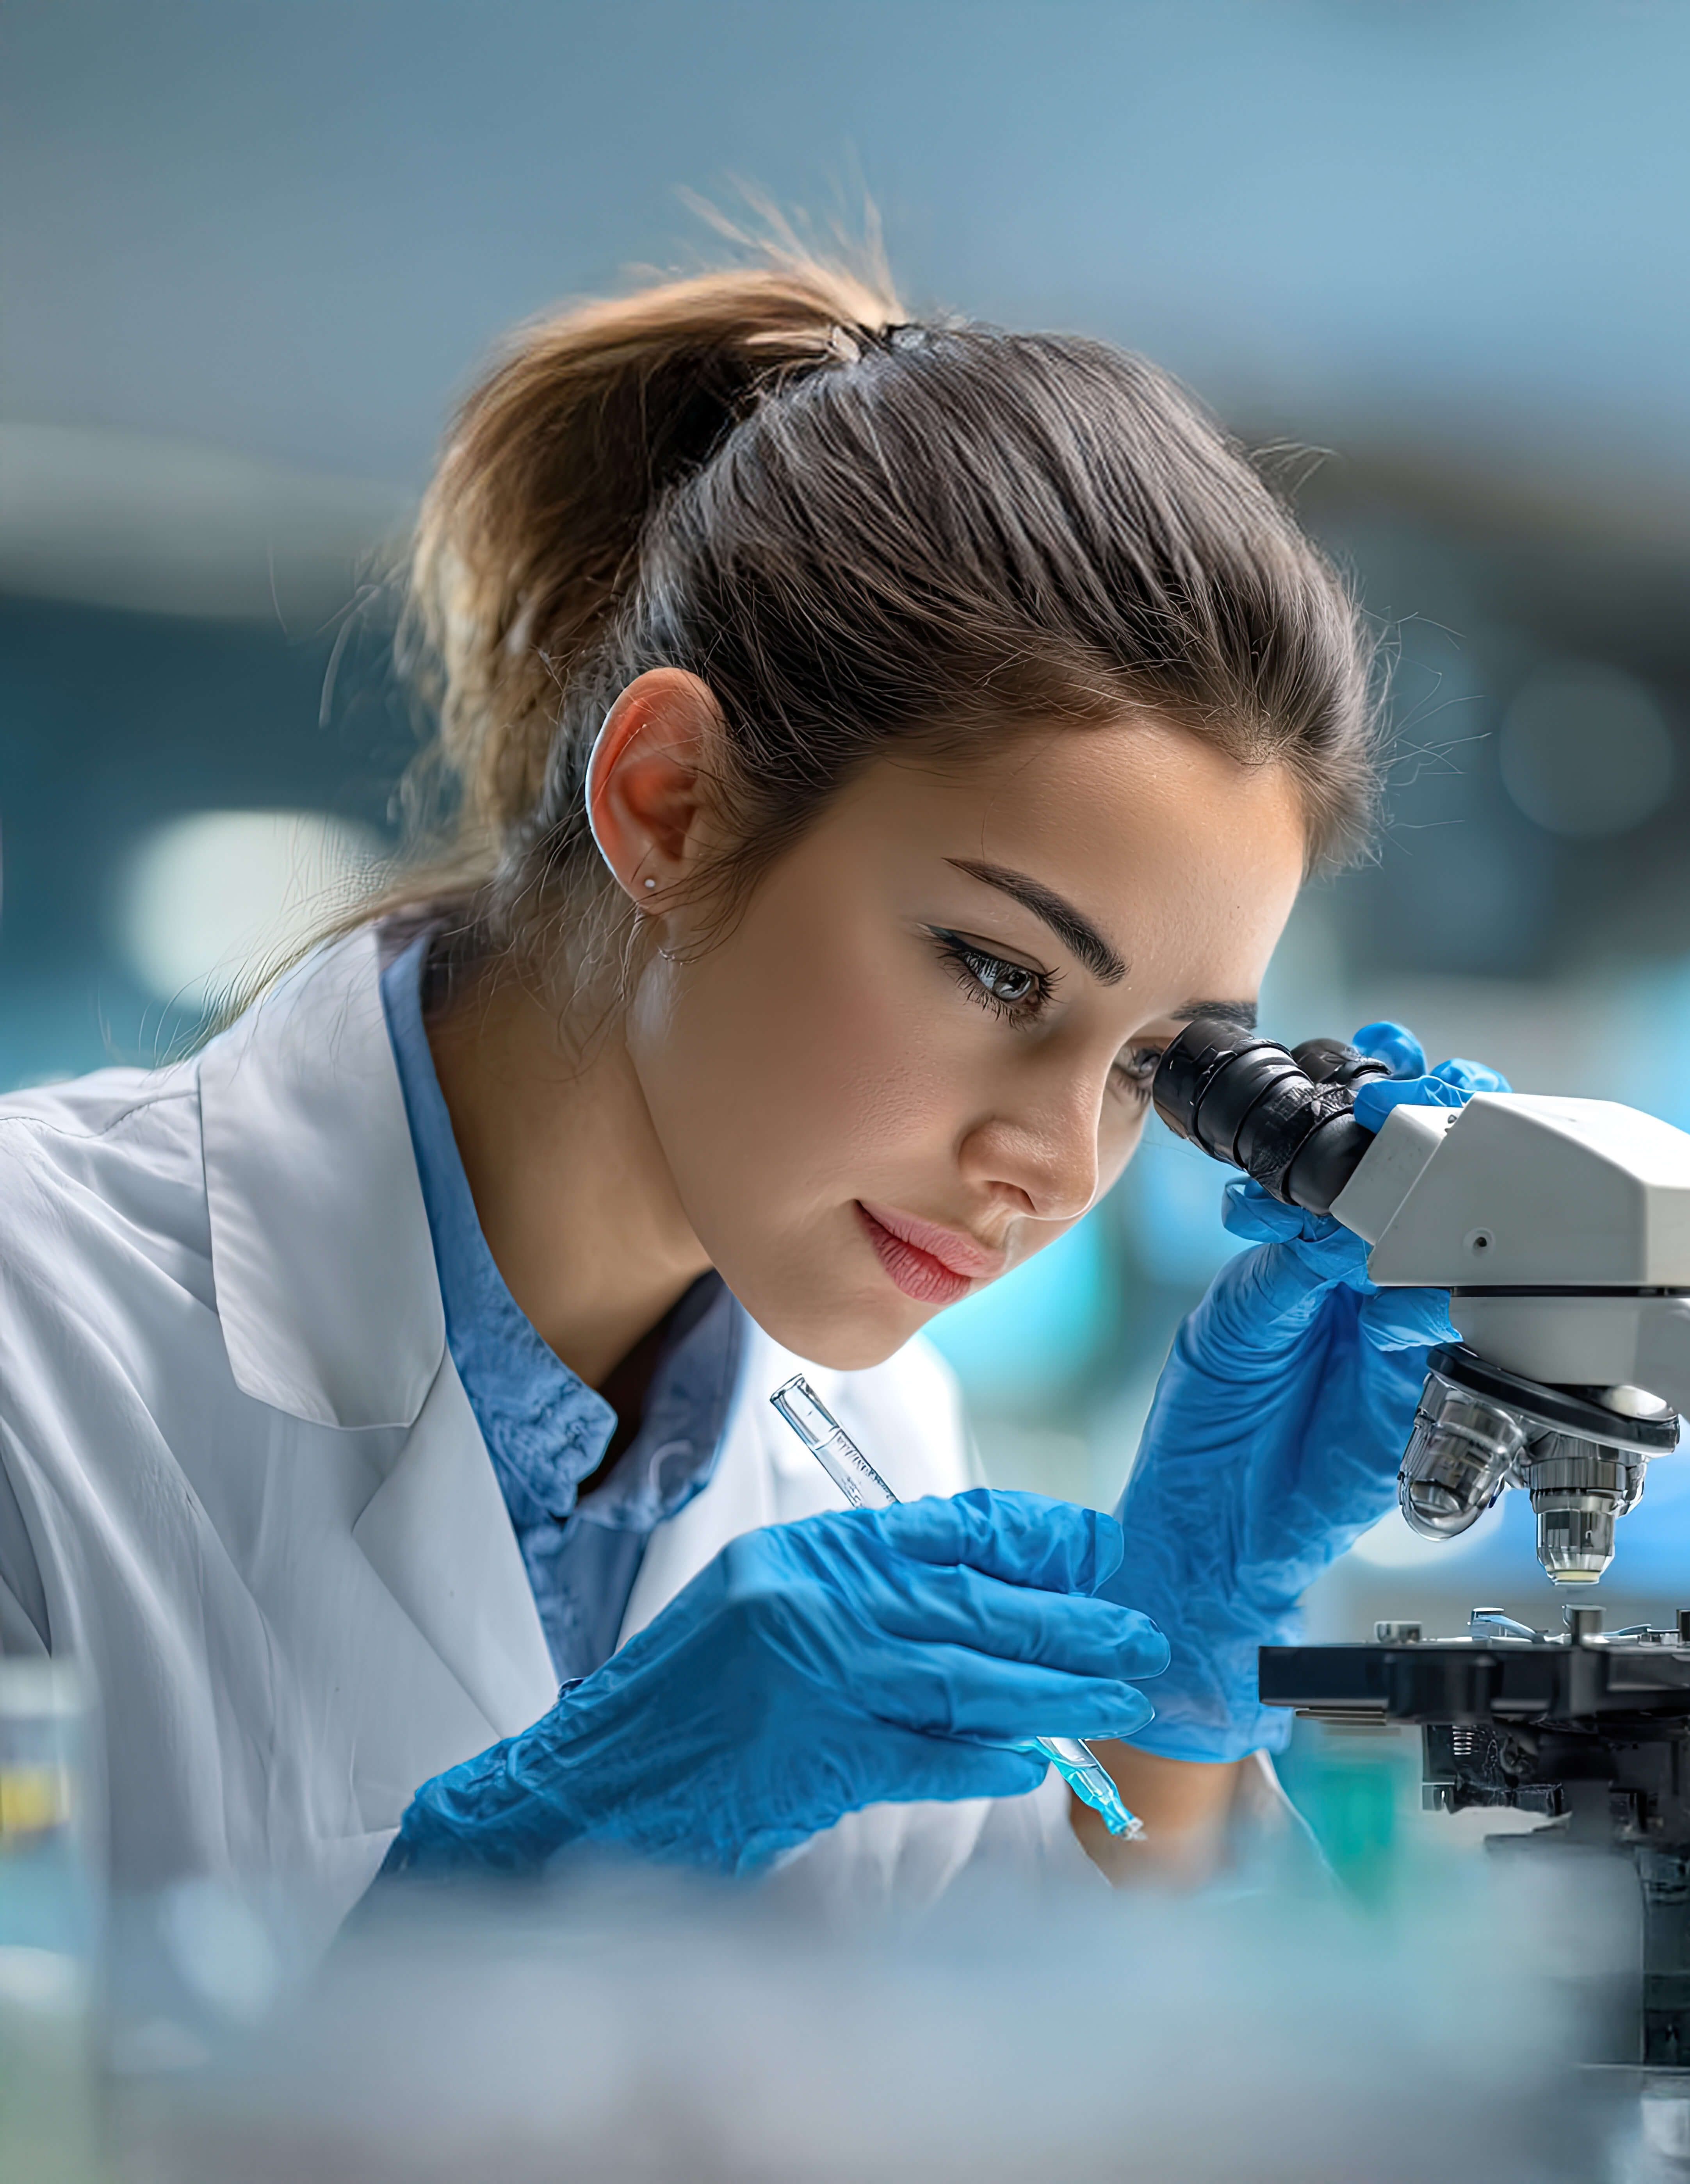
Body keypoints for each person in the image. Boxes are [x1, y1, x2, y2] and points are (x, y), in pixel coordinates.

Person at [0, 241, 1494, 1948]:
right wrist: (488, 1890)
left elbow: (1061, 2059)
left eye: (1157, 1065)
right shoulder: (37, 1346)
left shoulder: (878, 1447)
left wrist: (1175, 1677)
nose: (1056, 1164)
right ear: (672, 802)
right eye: (1001, 971)